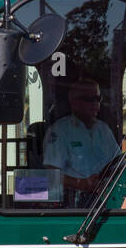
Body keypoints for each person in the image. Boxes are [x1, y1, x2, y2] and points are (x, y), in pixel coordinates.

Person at [42, 76, 121, 206]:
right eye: (89, 99)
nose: (94, 104)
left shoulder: (103, 129)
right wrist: (82, 183)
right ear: (73, 102)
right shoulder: (60, 131)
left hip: (108, 195)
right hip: (75, 202)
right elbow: (51, 173)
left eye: (97, 99)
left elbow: (118, 163)